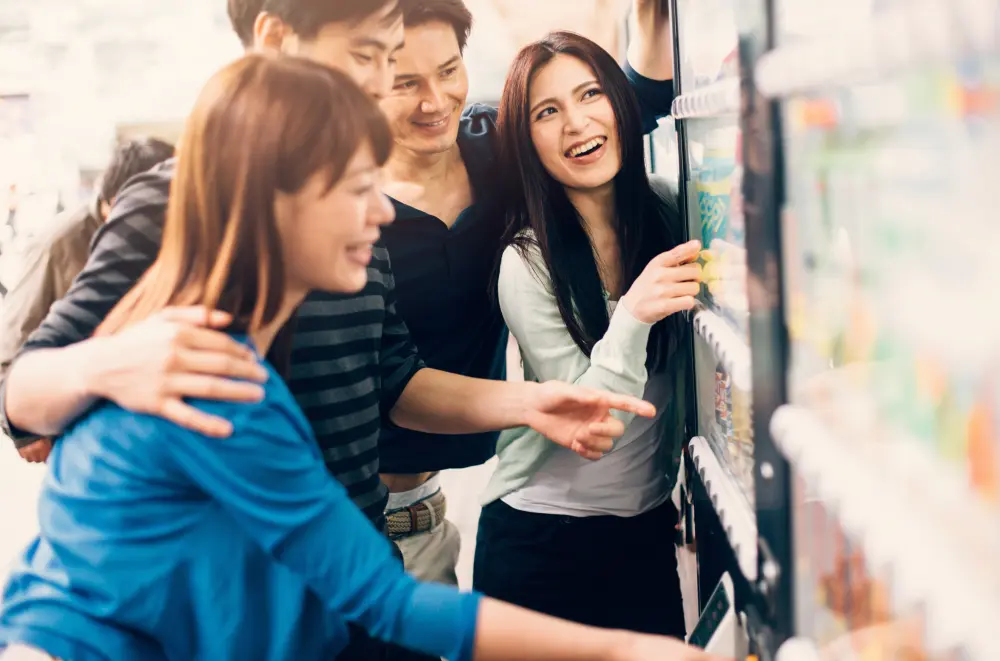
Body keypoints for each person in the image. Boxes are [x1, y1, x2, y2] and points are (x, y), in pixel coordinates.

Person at [0, 54, 725, 661]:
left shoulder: (243, 362)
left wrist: (531, 402)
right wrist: (620, 649)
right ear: (272, 202)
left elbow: (396, 385)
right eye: (357, 190)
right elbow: (383, 599)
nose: (383, 211)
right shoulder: (214, 382)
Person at [375, 0, 678, 586]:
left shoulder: (495, 147)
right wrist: (537, 407)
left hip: (436, 507)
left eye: (447, 71)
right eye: (404, 83)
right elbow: (396, 384)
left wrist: (650, 15)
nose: (434, 101)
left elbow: (619, 108)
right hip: (354, 506)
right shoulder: (349, 213)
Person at [472, 31, 703, 637]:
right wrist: (633, 314)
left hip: (646, 528)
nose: (577, 124)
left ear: (620, 105)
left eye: (590, 94)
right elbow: (593, 428)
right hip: (540, 543)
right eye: (547, 112)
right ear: (527, 143)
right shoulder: (525, 261)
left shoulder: (670, 209)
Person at [0, 137, 175, 464]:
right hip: (80, 424)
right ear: (115, 202)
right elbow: (13, 339)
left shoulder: (172, 229)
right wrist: (25, 431)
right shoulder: (58, 244)